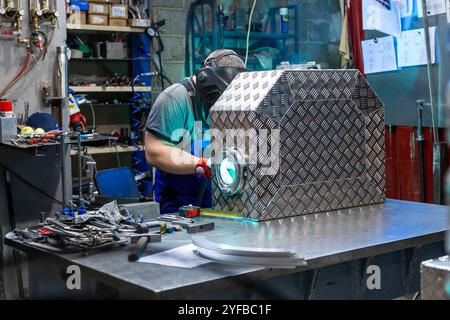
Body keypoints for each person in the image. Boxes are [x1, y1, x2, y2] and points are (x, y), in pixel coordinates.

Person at [144, 49, 247, 214]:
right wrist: (201, 165)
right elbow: (154, 151)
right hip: (178, 209)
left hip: (218, 205)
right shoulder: (175, 98)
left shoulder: (230, 104)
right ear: (205, 76)